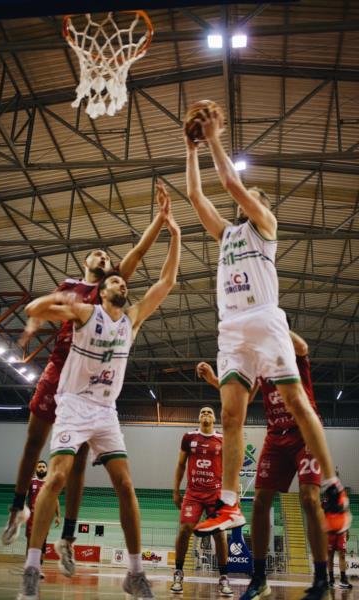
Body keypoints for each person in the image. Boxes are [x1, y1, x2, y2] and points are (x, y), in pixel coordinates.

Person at [183, 107, 351, 539]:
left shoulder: (266, 227)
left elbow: (229, 184)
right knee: (231, 414)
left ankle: (333, 486)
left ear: (260, 207)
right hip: (231, 327)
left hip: (263, 316)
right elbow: (197, 198)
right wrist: (190, 147)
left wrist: (214, 137)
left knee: (297, 402)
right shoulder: (226, 235)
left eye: (255, 197)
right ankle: (228, 502)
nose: (248, 200)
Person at [2, 182, 169, 577]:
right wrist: (31, 320)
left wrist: (161, 220)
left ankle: (67, 538)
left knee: (74, 463)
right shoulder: (70, 288)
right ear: (84, 260)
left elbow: (139, 252)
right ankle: (17, 506)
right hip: (61, 366)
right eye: (97, 251)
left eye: (107, 254)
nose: (103, 254)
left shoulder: (110, 287)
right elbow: (46, 306)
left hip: (91, 379)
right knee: (33, 441)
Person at [198, 327, 330, 600]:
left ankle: (321, 580)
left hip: (304, 431)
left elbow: (303, 346)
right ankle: (259, 579)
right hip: (276, 436)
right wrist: (214, 379)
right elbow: (245, 397)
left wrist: (269, 322)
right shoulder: (258, 362)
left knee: (309, 497)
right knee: (260, 502)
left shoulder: (292, 352)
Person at [171, 406, 231, 596]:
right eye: (202, 412)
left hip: (215, 494)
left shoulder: (222, 439)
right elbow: (181, 464)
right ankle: (178, 574)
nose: (206, 414)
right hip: (193, 493)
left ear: (214, 419)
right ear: (199, 418)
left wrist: (230, 493)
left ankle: (223, 578)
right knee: (185, 529)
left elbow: (230, 467)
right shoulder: (189, 437)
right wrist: (175, 491)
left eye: (209, 412)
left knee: (219, 534)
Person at [25, 460, 61, 578]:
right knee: (30, 543)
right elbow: (24, 495)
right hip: (31, 517)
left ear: (46, 469)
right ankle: (29, 567)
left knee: (42, 544)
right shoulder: (31, 481)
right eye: (39, 466)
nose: (41, 468)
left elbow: (55, 500)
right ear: (36, 469)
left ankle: (38, 568)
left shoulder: (49, 483)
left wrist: (58, 516)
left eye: (43, 467)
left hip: (44, 518)